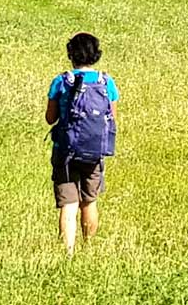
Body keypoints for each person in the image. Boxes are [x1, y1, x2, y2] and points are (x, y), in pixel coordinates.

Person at [45, 32, 119, 252]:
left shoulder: (61, 81)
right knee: (90, 200)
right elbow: (111, 117)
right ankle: (88, 248)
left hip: (65, 150)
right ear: (96, 55)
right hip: (94, 150)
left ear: (71, 54)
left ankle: (67, 252)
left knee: (69, 203)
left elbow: (50, 118)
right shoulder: (106, 82)